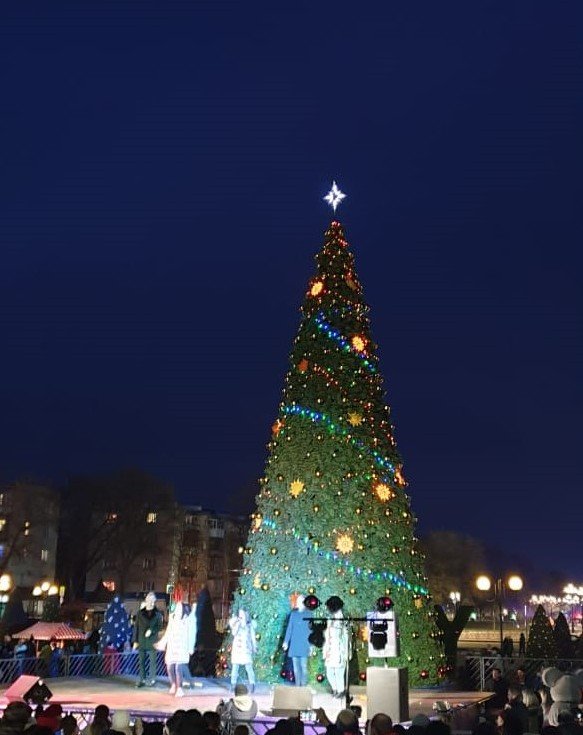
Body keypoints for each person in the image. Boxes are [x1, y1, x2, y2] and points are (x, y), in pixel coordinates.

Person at [156, 600, 197, 697]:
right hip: (172, 647)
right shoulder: (172, 619)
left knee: (178, 668)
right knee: (170, 667)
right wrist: (162, 643)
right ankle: (173, 684)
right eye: (177, 608)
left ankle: (179, 688)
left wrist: (190, 647)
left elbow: (191, 634)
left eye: (180, 608)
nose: (178, 610)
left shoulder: (187, 621)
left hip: (182, 647)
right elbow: (168, 633)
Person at [134, 592, 163, 687]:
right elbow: (136, 627)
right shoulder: (140, 613)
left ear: (154, 601)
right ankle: (142, 679)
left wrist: (152, 630)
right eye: (148, 599)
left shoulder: (158, 614)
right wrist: (135, 641)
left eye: (152, 600)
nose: (150, 601)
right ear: (146, 600)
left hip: (152, 641)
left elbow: (160, 627)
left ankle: (152, 679)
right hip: (142, 640)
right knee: (141, 661)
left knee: (152, 662)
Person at [282, 595, 312, 687]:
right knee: (296, 668)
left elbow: (311, 630)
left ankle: (303, 685)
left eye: (302, 601)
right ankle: (298, 686)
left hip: (304, 645)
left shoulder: (309, 614)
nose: (300, 603)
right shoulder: (293, 614)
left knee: (303, 667)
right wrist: (286, 642)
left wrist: (311, 645)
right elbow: (289, 629)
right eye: (298, 601)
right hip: (294, 645)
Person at [322, 596, 348, 699]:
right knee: (329, 672)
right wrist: (326, 650)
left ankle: (340, 691)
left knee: (339, 672)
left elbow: (345, 637)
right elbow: (327, 635)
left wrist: (345, 652)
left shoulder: (343, 620)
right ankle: (335, 689)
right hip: (331, 649)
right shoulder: (331, 619)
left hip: (339, 650)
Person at [229, 609, 257, 693]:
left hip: (246, 649)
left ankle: (252, 685)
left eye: (242, 614)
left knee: (249, 668)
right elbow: (233, 633)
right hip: (237, 650)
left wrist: (254, 647)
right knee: (235, 668)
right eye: (239, 614)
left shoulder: (249, 625)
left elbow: (253, 637)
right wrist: (237, 624)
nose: (240, 615)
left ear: (245, 615)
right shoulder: (236, 624)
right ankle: (233, 685)